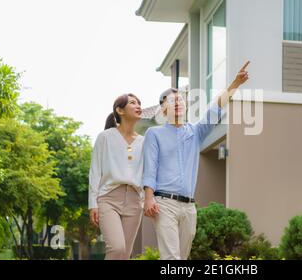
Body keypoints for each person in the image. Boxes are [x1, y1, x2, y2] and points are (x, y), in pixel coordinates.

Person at [143, 61, 250, 260]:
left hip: (189, 207)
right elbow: (150, 167)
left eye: (181, 99)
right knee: (171, 258)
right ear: (163, 109)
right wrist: (148, 198)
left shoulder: (195, 132)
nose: (178, 102)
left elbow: (215, 108)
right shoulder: (154, 134)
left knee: (182, 258)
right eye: (172, 100)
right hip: (164, 202)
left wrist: (235, 83)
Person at [88, 93, 144, 260]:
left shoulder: (144, 141)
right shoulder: (105, 137)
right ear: (120, 110)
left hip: (134, 201)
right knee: (117, 248)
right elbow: (95, 171)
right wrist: (93, 204)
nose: (138, 106)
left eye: (139, 103)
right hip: (108, 199)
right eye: (133, 103)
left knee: (125, 254)